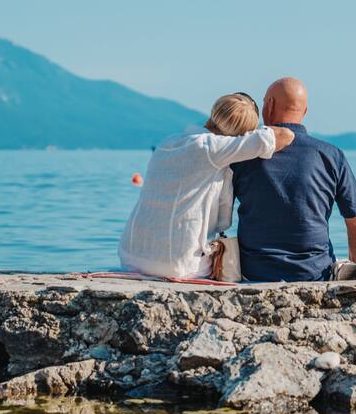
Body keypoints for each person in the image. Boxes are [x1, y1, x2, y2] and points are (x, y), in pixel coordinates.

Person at [119, 93, 294, 279]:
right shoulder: (214, 148)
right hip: (177, 265)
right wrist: (250, 135)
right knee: (236, 266)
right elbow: (285, 135)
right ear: (239, 134)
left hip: (131, 256)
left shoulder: (167, 142)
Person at [231, 77, 356, 282]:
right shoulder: (331, 155)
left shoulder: (242, 154)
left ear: (269, 106)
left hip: (254, 272)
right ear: (304, 112)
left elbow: (217, 216)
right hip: (314, 273)